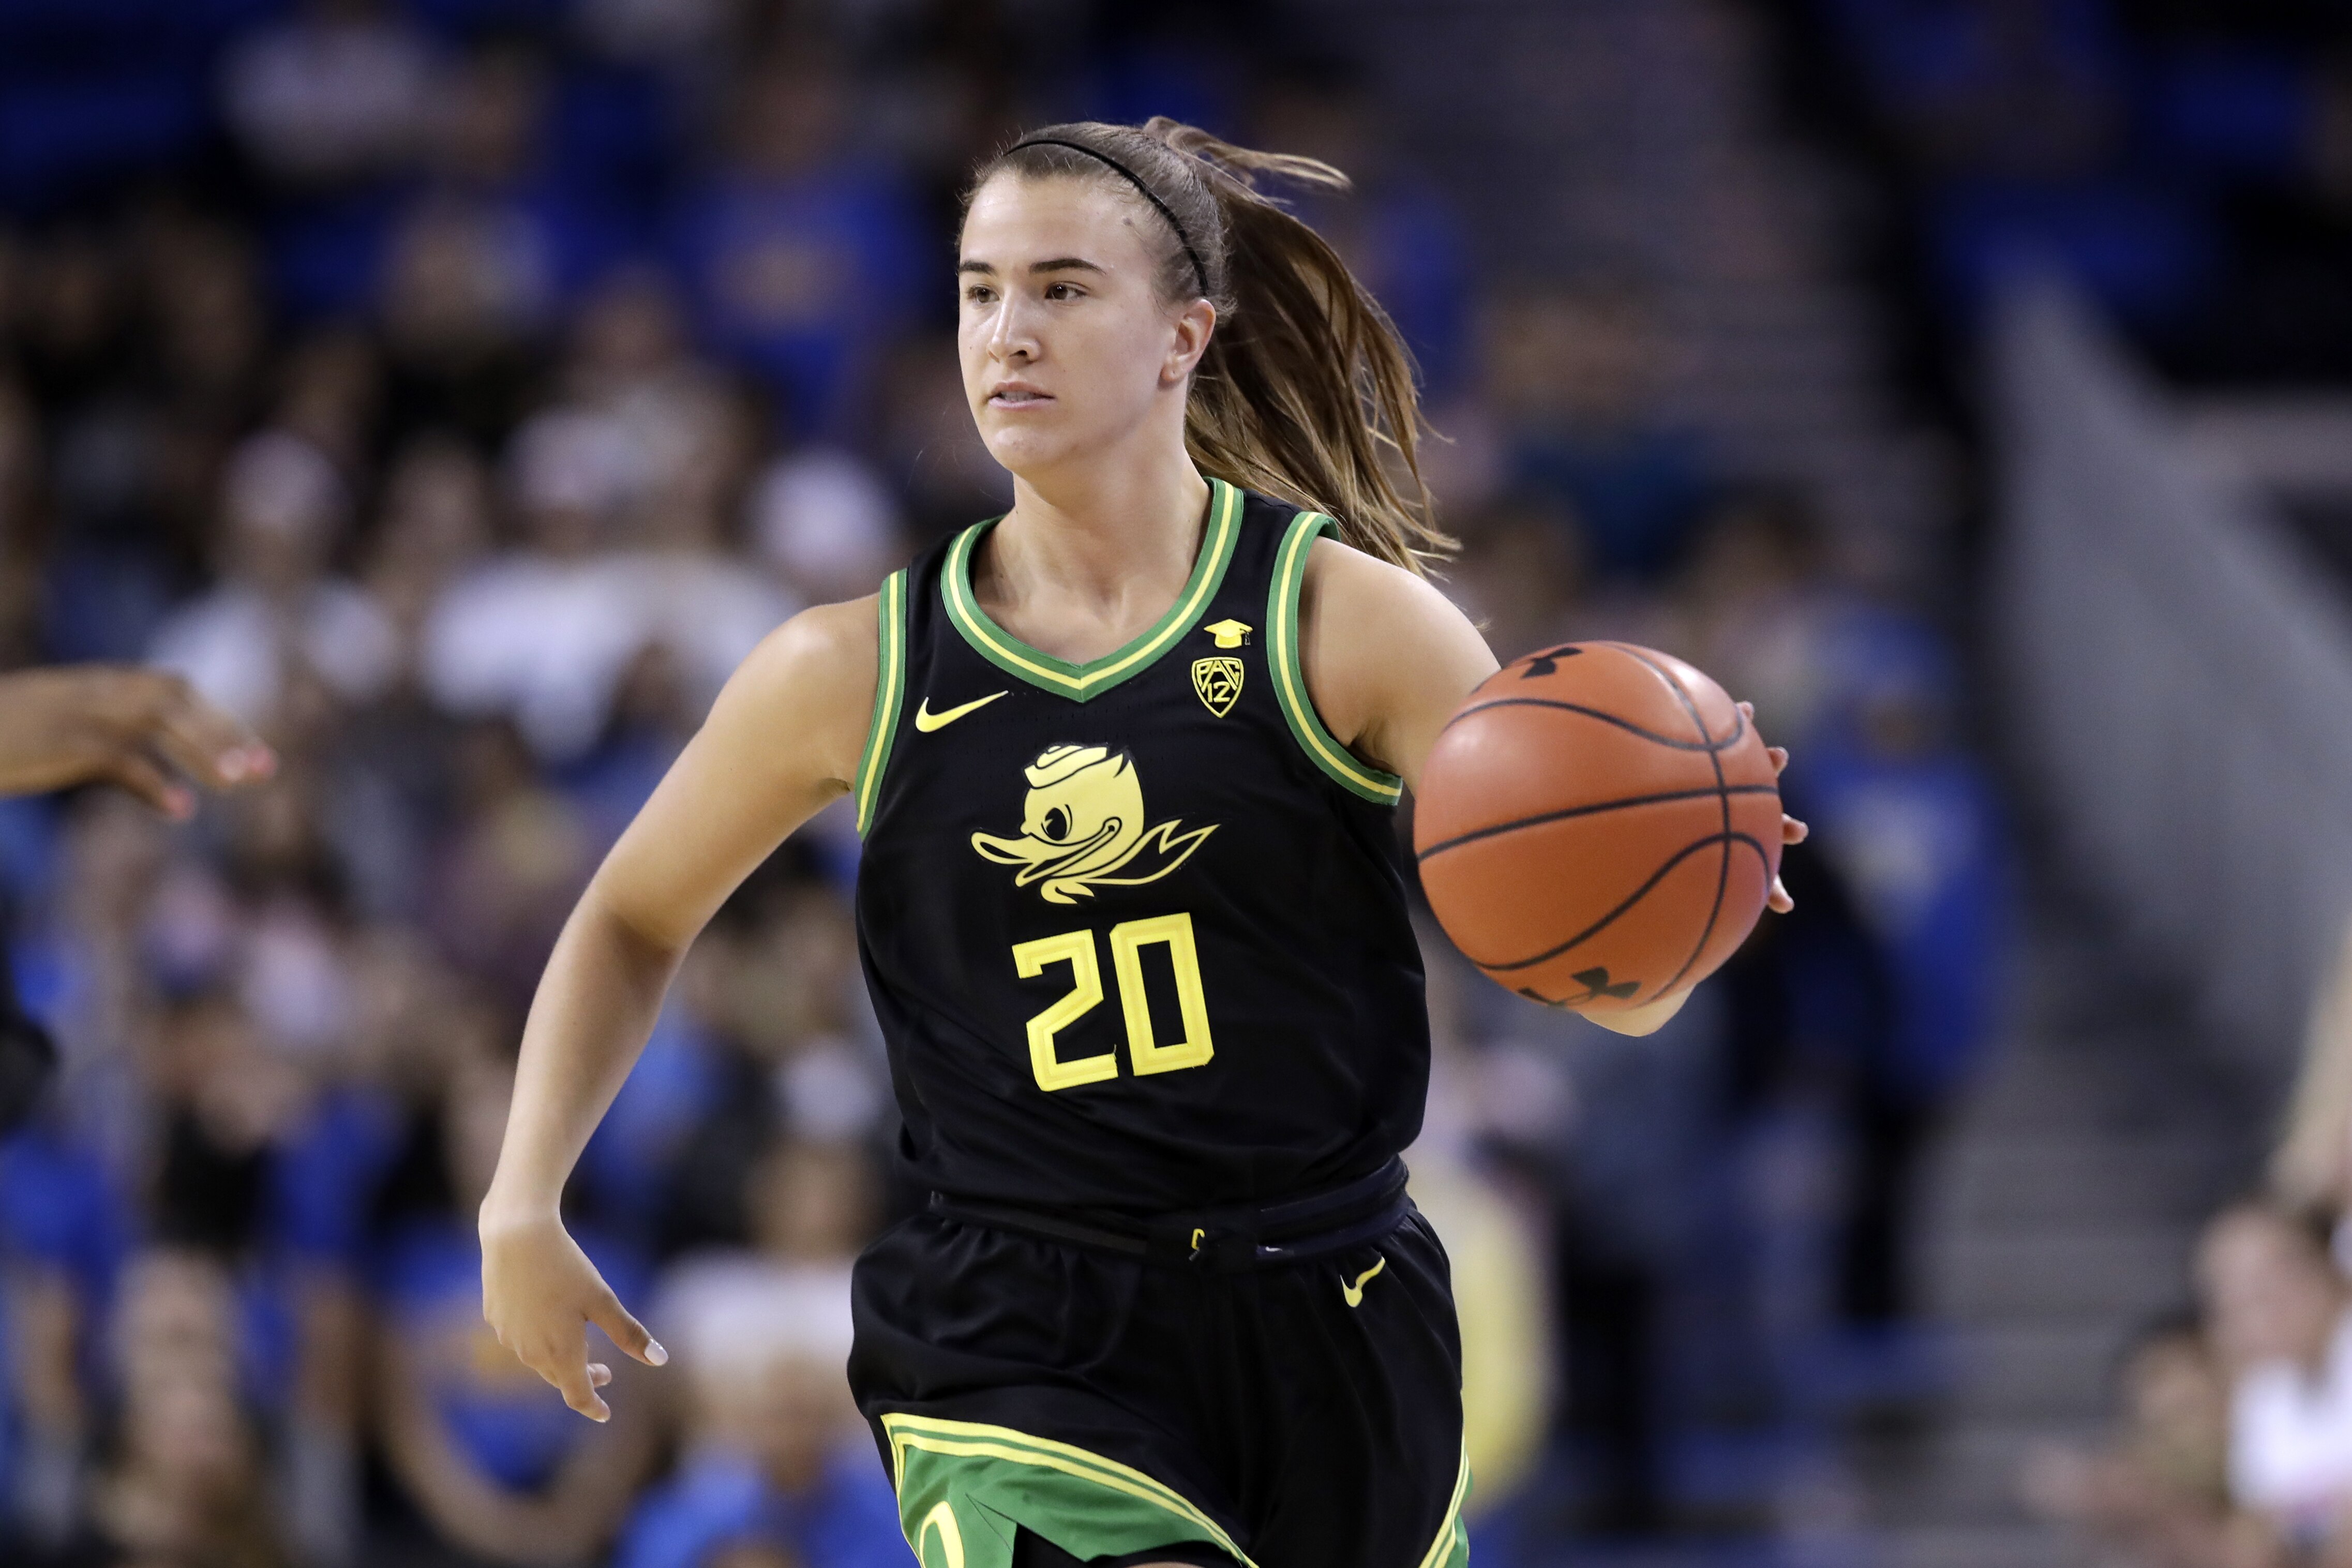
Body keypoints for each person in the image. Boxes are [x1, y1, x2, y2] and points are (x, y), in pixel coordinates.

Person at [479, 116, 1806, 1568]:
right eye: (981, 290)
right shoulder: (853, 669)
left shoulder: (1343, 624)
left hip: (1336, 1307)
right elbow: (629, 918)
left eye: (1060, 289)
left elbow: (1607, 979)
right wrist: (521, 1200)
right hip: (1022, 1334)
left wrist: (1677, 892)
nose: (1008, 332)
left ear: (1183, 336)